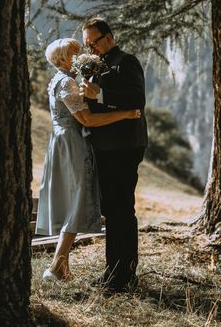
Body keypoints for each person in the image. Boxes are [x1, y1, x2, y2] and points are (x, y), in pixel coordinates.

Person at [36, 38, 141, 281]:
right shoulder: (67, 83)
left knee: (74, 200)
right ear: (63, 59)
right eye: (75, 53)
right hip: (72, 144)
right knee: (77, 200)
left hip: (62, 141)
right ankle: (55, 266)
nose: (81, 56)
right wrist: (125, 114)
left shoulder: (58, 80)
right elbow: (88, 120)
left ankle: (61, 266)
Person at [80, 18, 148, 293]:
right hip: (106, 146)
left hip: (125, 145)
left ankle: (125, 275)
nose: (90, 48)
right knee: (113, 210)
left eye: (93, 42)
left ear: (108, 37)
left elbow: (137, 99)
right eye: (87, 44)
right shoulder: (94, 65)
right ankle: (113, 272)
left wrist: (101, 93)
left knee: (122, 209)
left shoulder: (126, 61)